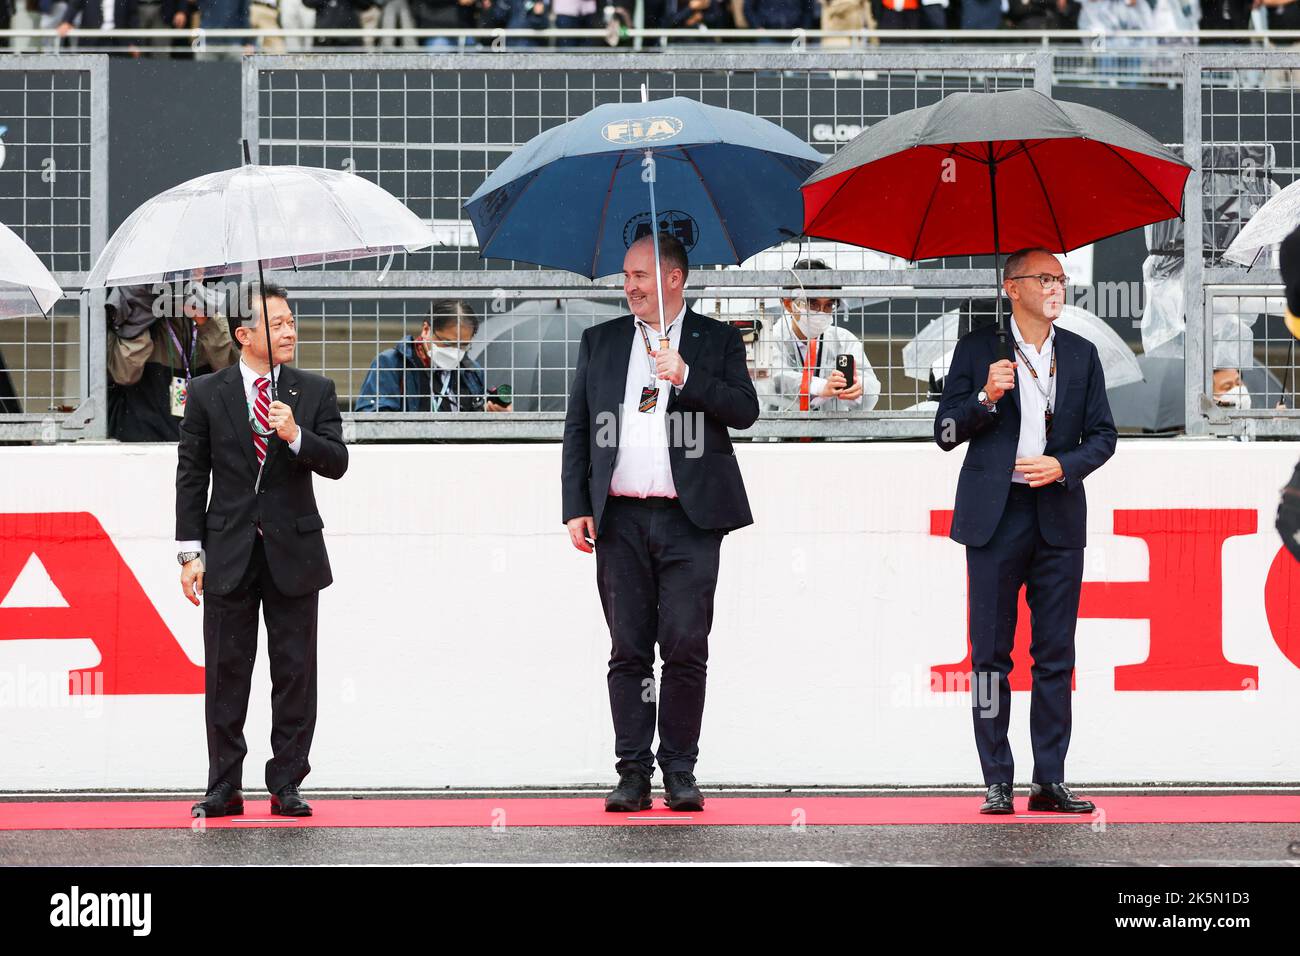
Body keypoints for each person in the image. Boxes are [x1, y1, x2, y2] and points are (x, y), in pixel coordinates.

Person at [562, 232, 759, 813]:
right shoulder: (601, 342)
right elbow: (578, 427)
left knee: (685, 646)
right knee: (627, 649)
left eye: (641, 276)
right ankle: (631, 773)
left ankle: (679, 768)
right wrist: (576, 504)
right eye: (625, 277)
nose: (630, 287)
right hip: (619, 519)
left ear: (674, 279)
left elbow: (745, 411)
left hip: (690, 521)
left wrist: (687, 376)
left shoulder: (715, 340)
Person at [934, 248, 1116, 815]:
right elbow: (943, 432)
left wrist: (1065, 465)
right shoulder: (978, 350)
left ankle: (1050, 778)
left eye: (1060, 279)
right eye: (1044, 279)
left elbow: (1105, 437)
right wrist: (985, 397)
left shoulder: (1082, 355)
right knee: (989, 655)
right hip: (995, 515)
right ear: (1012, 288)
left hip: (1057, 512)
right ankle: (996, 779)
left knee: (1054, 653)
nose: (1056, 288)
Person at [176, 281, 348, 819]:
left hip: (293, 553)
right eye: (277, 324)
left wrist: (296, 435)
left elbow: (337, 461)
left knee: (294, 671)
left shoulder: (314, 391)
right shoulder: (207, 393)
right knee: (227, 672)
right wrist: (189, 553)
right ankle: (223, 785)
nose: (290, 330)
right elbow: (191, 476)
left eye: (292, 321)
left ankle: (288, 782)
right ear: (244, 334)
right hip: (227, 552)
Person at [107, 280, 238, 442]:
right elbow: (124, 374)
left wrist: (206, 322)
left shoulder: (213, 304)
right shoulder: (133, 303)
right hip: (141, 440)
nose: (194, 273)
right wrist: (140, 315)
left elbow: (233, 375)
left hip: (198, 442)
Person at [760, 258, 881, 413]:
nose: (821, 312)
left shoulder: (844, 339)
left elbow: (871, 388)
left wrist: (859, 387)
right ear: (788, 304)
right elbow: (771, 382)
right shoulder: (768, 339)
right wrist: (820, 387)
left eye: (829, 305)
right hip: (780, 434)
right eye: (812, 304)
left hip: (834, 433)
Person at [354, 300, 510, 412]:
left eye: (463, 345)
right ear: (426, 329)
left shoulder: (472, 371)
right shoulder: (391, 363)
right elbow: (371, 421)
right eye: (448, 343)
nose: (455, 351)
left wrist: (491, 416)